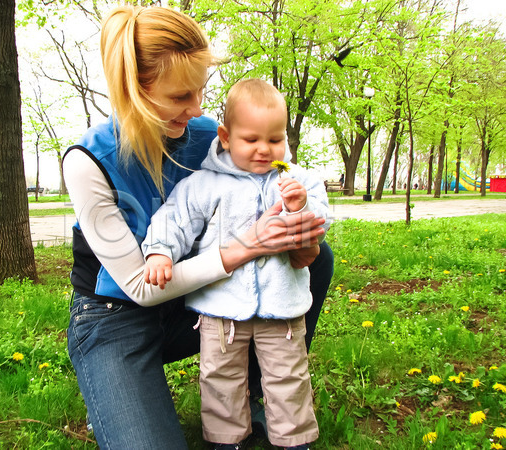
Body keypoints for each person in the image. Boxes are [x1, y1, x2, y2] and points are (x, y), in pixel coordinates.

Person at [62, 5, 334, 449]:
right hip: (116, 314)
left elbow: (273, 184)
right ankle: (115, 386)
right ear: (134, 90)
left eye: (199, 92)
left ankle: (253, 391)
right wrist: (242, 249)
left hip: (197, 300)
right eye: (179, 97)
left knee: (316, 260)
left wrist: (301, 236)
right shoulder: (87, 162)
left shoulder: (209, 134)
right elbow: (139, 286)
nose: (197, 108)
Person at [142, 79, 329, 449]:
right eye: (251, 140)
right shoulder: (205, 183)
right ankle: (226, 439)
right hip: (221, 307)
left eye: (275, 140)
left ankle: (293, 440)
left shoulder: (297, 181)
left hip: (282, 304)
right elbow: (175, 219)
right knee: (220, 377)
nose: (265, 149)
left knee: (288, 375)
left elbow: (319, 224)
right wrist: (160, 251)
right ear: (226, 137)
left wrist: (300, 208)